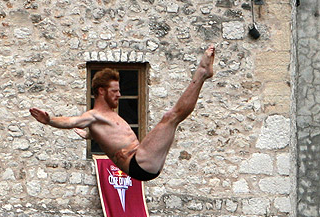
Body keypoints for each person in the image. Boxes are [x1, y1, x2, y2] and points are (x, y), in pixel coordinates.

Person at [30, 45, 215, 182]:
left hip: (147, 163)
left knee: (173, 119)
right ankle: (202, 73)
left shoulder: (103, 120)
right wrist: (49, 120)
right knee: (171, 117)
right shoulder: (93, 115)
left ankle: (203, 73)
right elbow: (70, 121)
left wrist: (88, 135)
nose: (119, 94)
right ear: (101, 91)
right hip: (139, 163)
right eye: (114, 91)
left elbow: (105, 136)